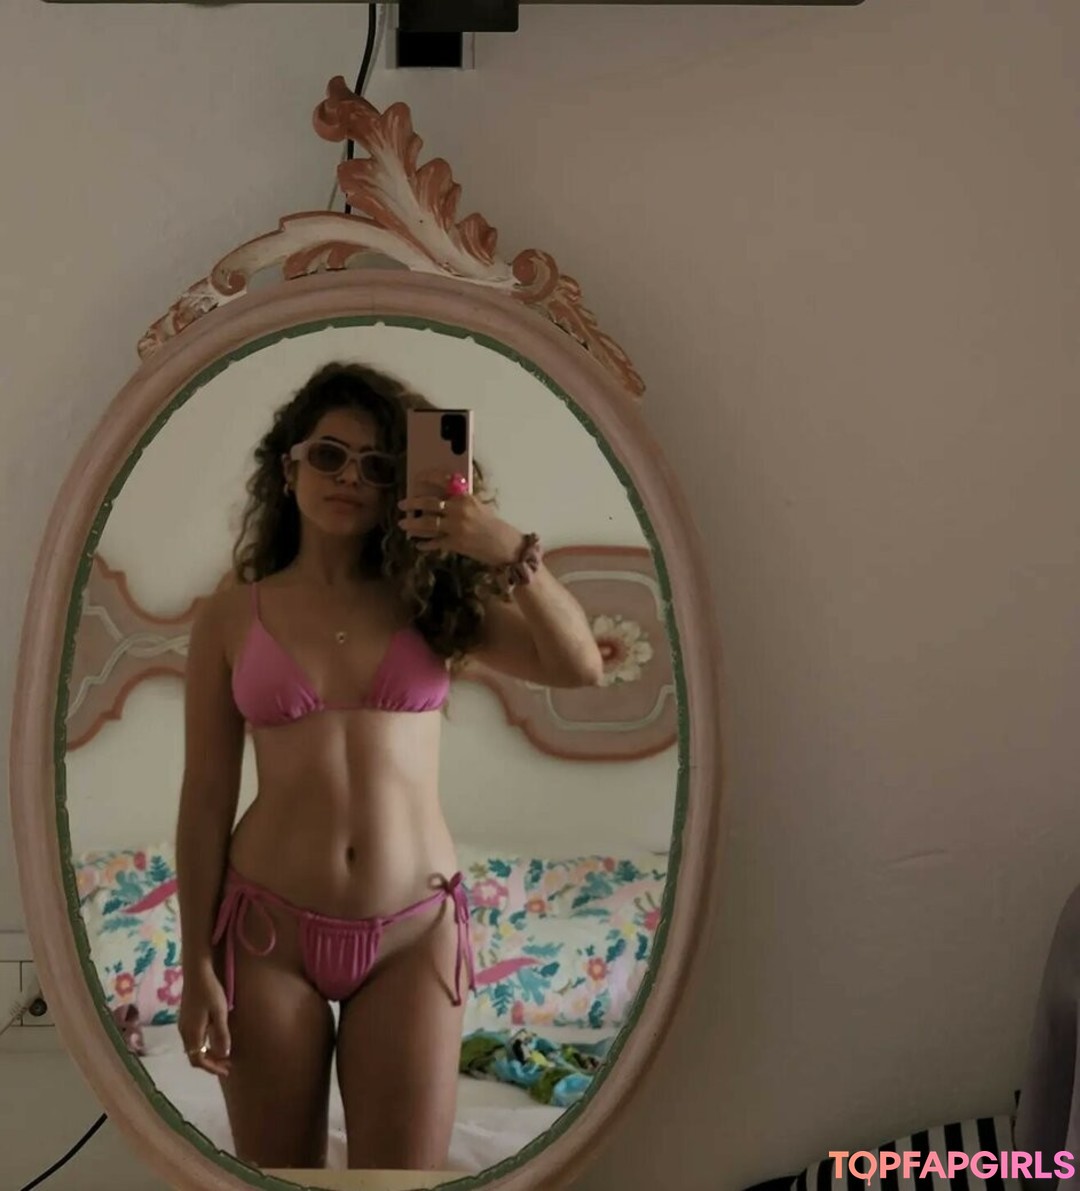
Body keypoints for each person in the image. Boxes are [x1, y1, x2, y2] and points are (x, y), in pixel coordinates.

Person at [175, 361, 604, 1172]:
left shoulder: (435, 602)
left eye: (377, 466)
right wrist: (194, 956)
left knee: (402, 1185)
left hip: (414, 936)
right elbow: (205, 797)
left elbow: (579, 665)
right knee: (281, 1181)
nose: (350, 477)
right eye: (329, 455)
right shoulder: (231, 614)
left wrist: (504, 545)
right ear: (287, 467)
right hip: (267, 935)